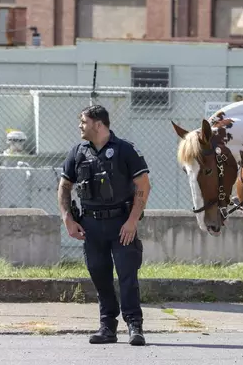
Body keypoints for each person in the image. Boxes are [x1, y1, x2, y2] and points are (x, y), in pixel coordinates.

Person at [57, 105, 151, 346]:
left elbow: (143, 185)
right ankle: (107, 326)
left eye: (83, 121)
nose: (80, 126)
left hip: (121, 224)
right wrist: (67, 218)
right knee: (100, 275)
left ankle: (134, 326)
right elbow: (65, 186)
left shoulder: (125, 150)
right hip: (90, 224)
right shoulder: (78, 151)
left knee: (127, 275)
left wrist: (132, 221)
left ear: (98, 124)